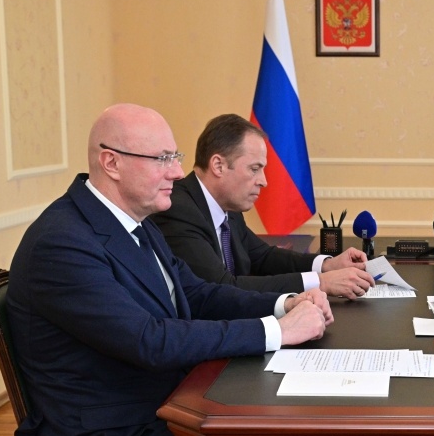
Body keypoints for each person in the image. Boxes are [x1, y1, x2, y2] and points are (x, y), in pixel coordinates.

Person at [6, 103, 332, 436]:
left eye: (175, 157)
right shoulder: (61, 242)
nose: (177, 172)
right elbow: (149, 340)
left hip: (163, 406)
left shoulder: (137, 222)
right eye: (162, 159)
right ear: (111, 162)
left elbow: (198, 294)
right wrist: (277, 331)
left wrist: (286, 303)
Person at [151, 113, 375, 299]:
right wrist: (320, 282)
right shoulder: (178, 209)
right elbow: (221, 287)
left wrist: (327, 265)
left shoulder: (228, 206)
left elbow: (262, 257)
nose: (264, 181)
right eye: (254, 169)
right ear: (218, 166)